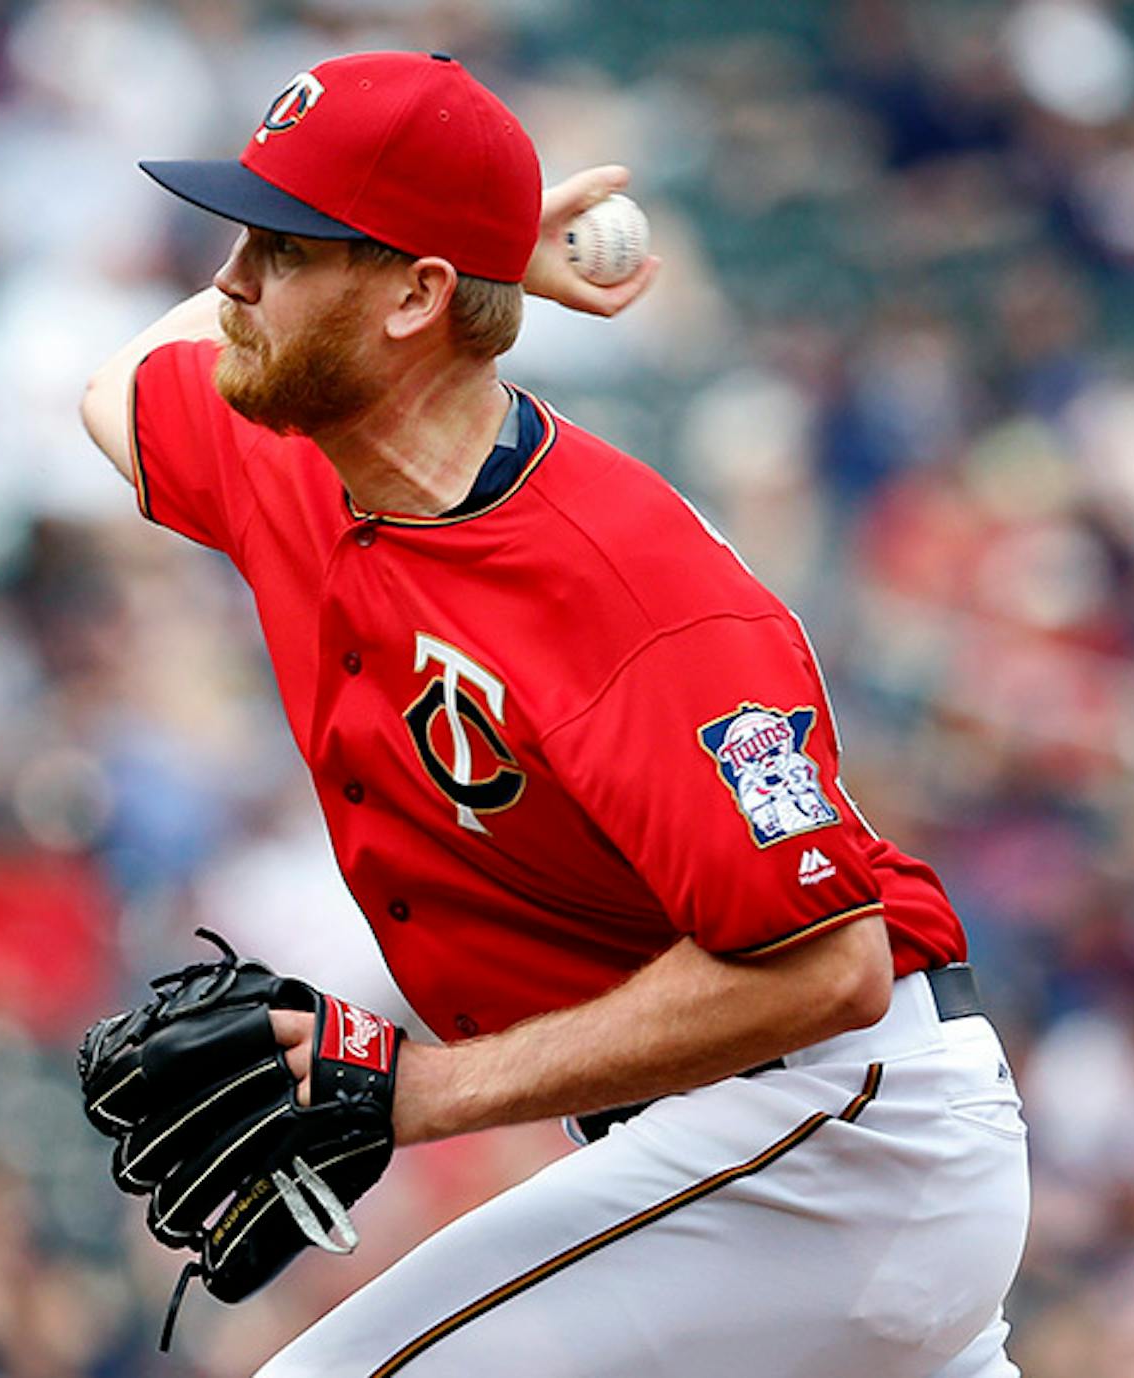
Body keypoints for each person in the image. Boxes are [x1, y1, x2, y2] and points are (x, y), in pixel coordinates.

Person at [78, 50, 1030, 1378]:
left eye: (286, 248)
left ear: (408, 299)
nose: (233, 282)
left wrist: (419, 1093)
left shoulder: (632, 587)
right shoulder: (292, 460)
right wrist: (480, 262)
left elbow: (826, 965)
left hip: (834, 1138)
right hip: (733, 1161)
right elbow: (117, 383)